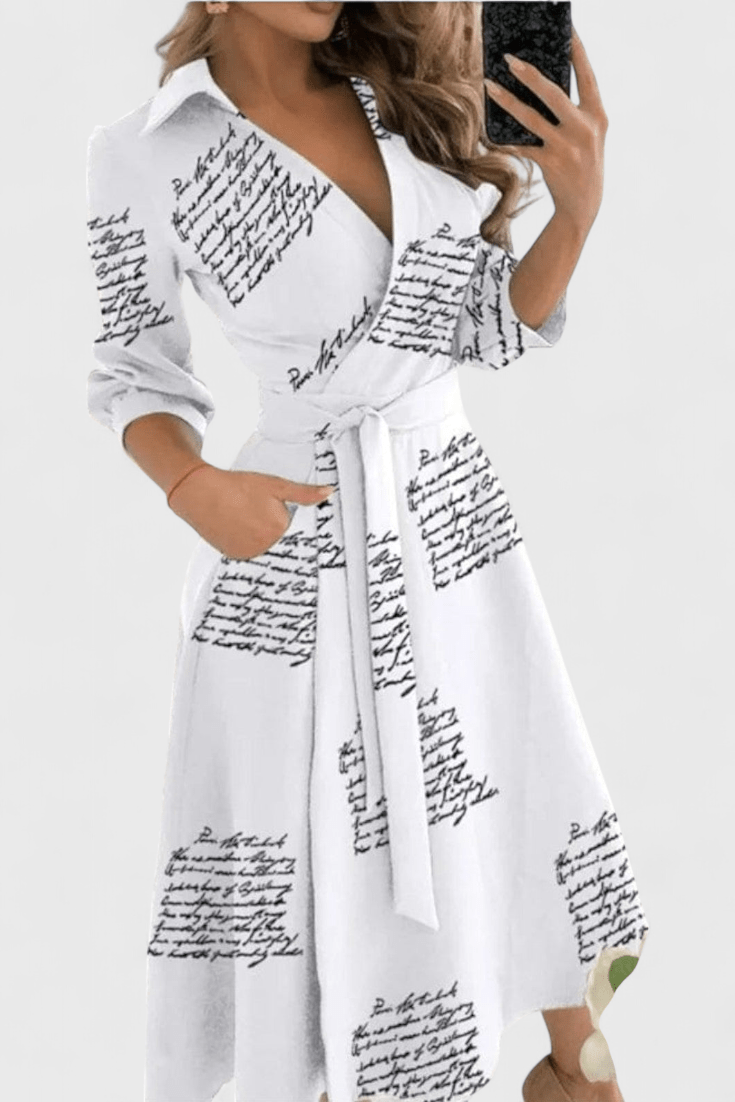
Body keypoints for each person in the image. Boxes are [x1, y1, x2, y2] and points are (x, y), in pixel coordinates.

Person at [84, 4, 649, 1102]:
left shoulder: (399, 93)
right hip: (290, 551)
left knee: (520, 791)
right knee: (324, 871)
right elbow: (132, 375)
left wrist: (575, 216)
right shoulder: (144, 152)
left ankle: (573, 1074)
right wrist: (194, 487)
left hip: (455, 526)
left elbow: (478, 329)